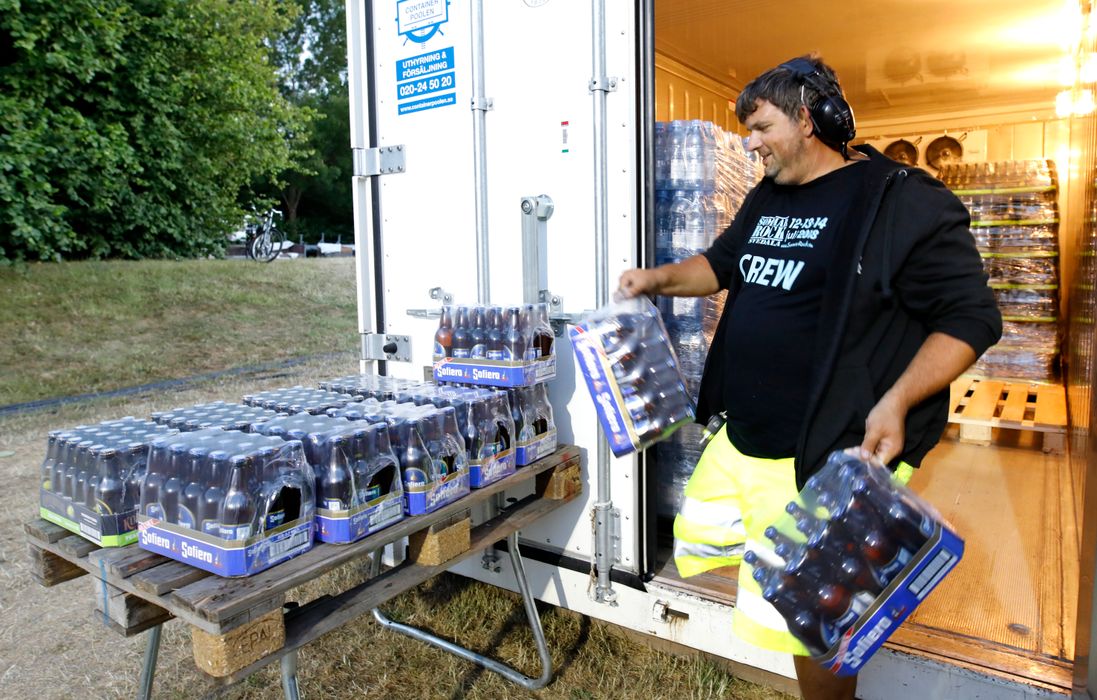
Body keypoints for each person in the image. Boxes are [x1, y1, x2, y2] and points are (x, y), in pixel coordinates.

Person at [619, 55, 1001, 700]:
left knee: (814, 620)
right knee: (735, 562)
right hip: (747, 436)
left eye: (762, 126)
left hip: (831, 448)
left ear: (809, 118)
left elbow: (969, 318)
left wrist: (899, 401)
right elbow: (722, 264)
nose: (750, 143)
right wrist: (654, 279)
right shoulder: (771, 193)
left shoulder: (901, 201)